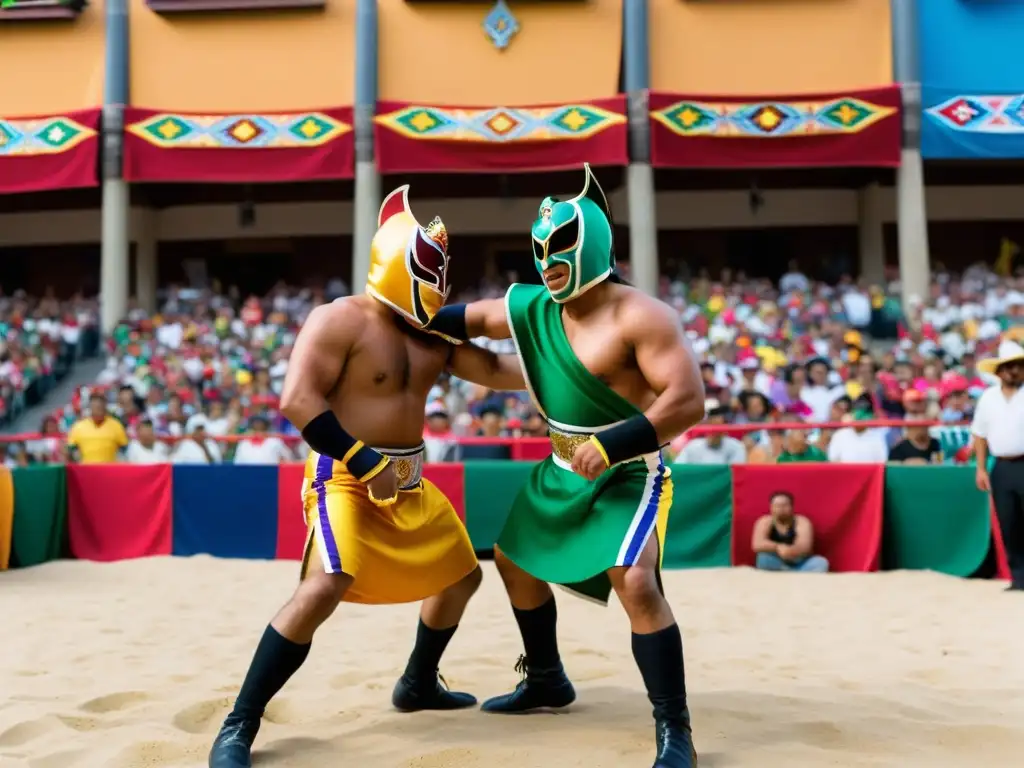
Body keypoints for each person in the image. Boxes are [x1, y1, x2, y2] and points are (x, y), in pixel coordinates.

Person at [208, 185, 526, 768]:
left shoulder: (432, 332)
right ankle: (240, 724)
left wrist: (565, 357)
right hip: (346, 477)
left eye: (442, 273)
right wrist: (363, 460)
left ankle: (417, 682)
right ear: (398, 265)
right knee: (326, 582)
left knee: (460, 579)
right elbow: (297, 400)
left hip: (407, 481)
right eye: (429, 270)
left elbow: (497, 370)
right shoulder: (339, 320)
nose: (439, 285)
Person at [426, 164, 706, 767]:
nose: (547, 260)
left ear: (594, 245)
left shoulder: (642, 316)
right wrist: (409, 320)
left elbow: (687, 402)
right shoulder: (531, 307)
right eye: (539, 249)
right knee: (511, 559)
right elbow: (466, 320)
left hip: (628, 470)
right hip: (559, 465)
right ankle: (547, 678)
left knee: (634, 580)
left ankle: (673, 728)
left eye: (560, 247)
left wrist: (612, 445)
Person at [972, 339, 1024, 591]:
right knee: (1009, 522)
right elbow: (979, 434)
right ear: (999, 372)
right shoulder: (988, 398)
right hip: (1001, 465)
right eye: (1009, 366)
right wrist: (981, 468)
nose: (1014, 370)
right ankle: (1019, 577)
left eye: (1018, 365)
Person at [751, 491, 829, 573]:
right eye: (777, 506)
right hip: (776, 561)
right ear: (771, 507)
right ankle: (792, 573)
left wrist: (791, 551)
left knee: (821, 562)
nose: (781, 509)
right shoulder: (765, 521)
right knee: (763, 558)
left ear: (792, 507)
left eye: (785, 505)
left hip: (799, 561)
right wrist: (778, 547)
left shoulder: (802, 521)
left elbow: (805, 546)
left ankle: (792, 573)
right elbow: (757, 544)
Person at [674, 400, 745, 465]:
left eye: (719, 423)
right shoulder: (693, 446)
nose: (715, 427)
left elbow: (736, 474)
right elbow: (678, 468)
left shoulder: (736, 446)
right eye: (711, 420)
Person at [66, 392, 129, 464]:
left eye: (100, 406)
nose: (98, 409)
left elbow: (125, 449)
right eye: (95, 406)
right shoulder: (78, 426)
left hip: (110, 470)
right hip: (86, 470)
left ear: (105, 406)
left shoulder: (116, 425)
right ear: (90, 407)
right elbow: (71, 448)